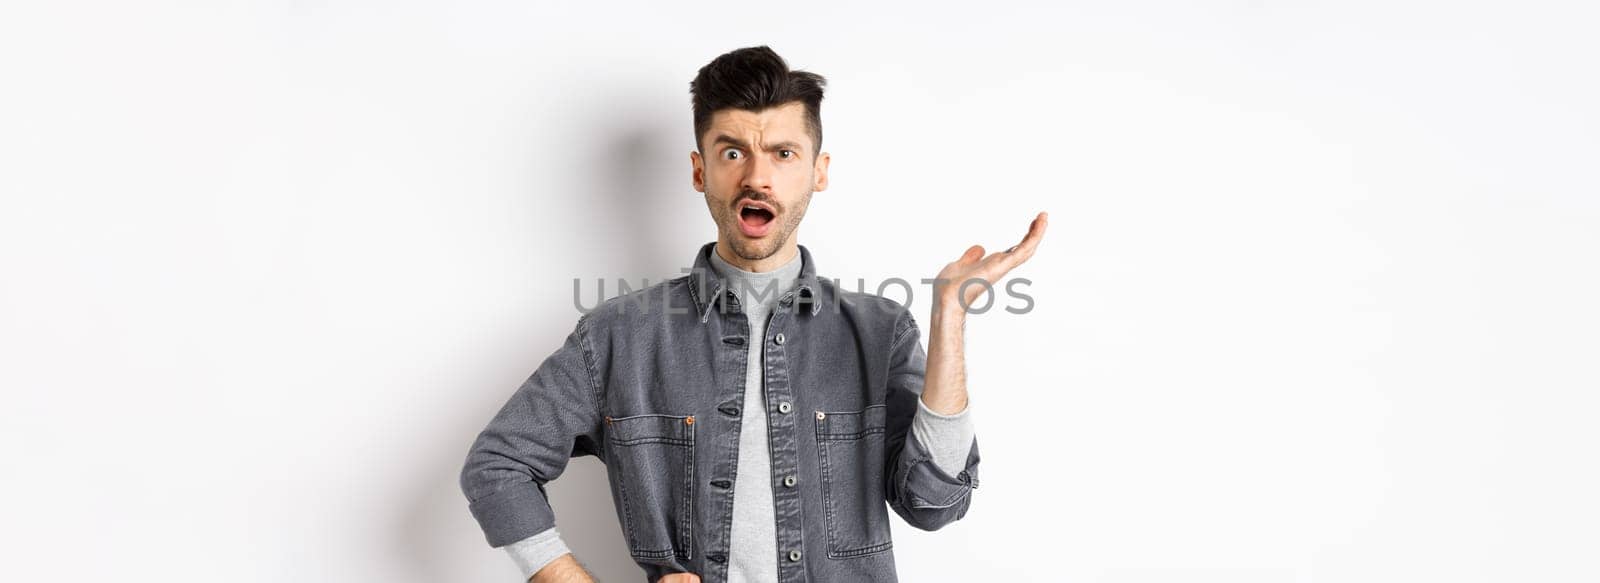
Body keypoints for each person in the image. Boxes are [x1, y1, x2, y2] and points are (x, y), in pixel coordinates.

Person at [459, 45, 1047, 583]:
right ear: (700, 171)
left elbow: (935, 505)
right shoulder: (619, 335)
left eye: (783, 153)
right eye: (733, 152)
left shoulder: (881, 331)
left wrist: (949, 321)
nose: (757, 178)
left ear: (818, 171)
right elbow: (498, 466)